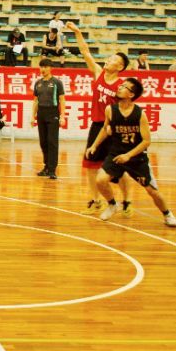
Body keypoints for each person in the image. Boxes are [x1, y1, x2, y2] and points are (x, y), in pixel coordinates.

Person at [88, 78, 176, 228]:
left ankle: (167, 214)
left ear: (131, 94)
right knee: (100, 180)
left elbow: (146, 141)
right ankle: (112, 204)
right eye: (121, 85)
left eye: (124, 87)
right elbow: (105, 129)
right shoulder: (110, 110)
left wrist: (128, 155)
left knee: (152, 191)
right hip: (116, 153)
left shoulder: (139, 114)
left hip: (137, 158)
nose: (120, 87)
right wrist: (94, 145)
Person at [65, 22, 132, 216]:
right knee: (90, 164)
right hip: (97, 126)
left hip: (113, 129)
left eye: (113, 59)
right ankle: (96, 201)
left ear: (120, 66)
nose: (108, 60)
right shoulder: (98, 73)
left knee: (118, 168)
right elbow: (85, 52)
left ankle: (127, 201)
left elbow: (126, 110)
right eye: (109, 58)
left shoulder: (122, 86)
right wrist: (77, 32)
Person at [31, 58, 65, 179]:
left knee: (52, 142)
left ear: (51, 68)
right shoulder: (38, 83)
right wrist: (33, 116)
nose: (43, 69)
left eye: (45, 67)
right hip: (41, 113)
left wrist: (62, 116)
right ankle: (46, 167)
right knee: (43, 142)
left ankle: (52, 170)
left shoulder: (57, 82)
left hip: (53, 113)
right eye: (41, 67)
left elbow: (62, 100)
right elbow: (35, 101)